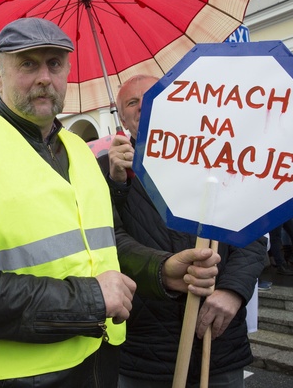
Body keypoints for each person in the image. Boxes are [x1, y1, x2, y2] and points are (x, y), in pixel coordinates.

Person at [0, 18, 221, 387]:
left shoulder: (80, 149)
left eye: (55, 63)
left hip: (98, 361)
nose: (45, 77)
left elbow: (107, 241)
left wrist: (161, 269)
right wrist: (89, 299)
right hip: (15, 378)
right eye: (28, 63)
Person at [100, 74, 267, 388]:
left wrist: (232, 290)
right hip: (145, 350)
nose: (142, 106)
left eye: (151, 97)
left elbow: (253, 232)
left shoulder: (219, 156)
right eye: (131, 103)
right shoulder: (106, 169)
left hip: (217, 342)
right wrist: (116, 185)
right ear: (122, 118)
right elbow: (107, 240)